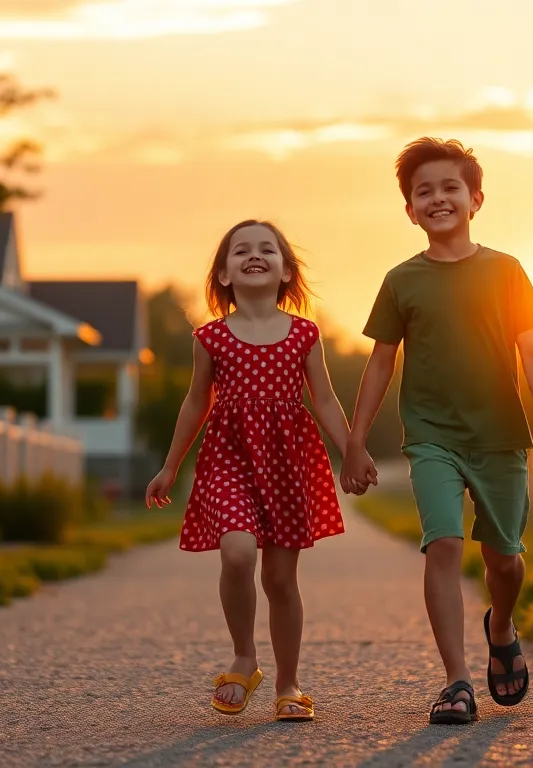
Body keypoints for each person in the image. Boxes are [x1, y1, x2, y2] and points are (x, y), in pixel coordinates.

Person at [341, 138, 533, 725]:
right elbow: (382, 363)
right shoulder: (400, 281)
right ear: (410, 210)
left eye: (449, 188)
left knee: (504, 561)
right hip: (430, 435)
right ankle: (457, 682)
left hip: (499, 436)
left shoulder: (506, 270)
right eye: (423, 191)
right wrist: (356, 440)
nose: (437, 198)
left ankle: (502, 624)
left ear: (476, 199)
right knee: (442, 543)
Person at [145, 219, 373, 723]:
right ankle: (245, 657)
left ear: (286, 269)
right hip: (229, 457)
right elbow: (195, 402)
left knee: (280, 578)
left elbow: (327, 400)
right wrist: (169, 466)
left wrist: (352, 448)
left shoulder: (304, 334)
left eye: (267, 249)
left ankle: (288, 685)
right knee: (238, 550)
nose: (254, 255)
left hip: (288, 459)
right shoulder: (210, 338)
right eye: (240, 250)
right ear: (223, 274)